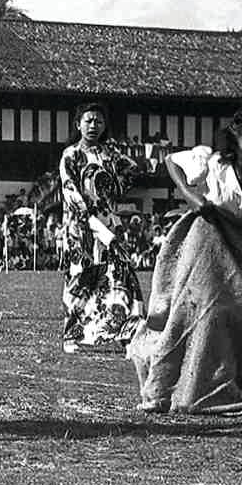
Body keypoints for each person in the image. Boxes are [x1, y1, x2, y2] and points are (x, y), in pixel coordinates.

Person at [127, 106, 242, 415]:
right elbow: (172, 162)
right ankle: (171, 388)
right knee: (201, 311)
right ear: (235, 143)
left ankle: (220, 384)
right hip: (207, 240)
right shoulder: (213, 163)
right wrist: (192, 197)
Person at [58, 101, 150, 353]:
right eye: (88, 120)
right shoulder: (71, 155)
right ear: (78, 124)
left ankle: (127, 331)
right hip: (81, 226)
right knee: (81, 278)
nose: (93, 125)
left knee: (121, 275)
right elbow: (70, 192)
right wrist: (90, 221)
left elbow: (130, 172)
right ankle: (72, 334)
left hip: (110, 220)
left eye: (98, 121)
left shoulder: (109, 154)